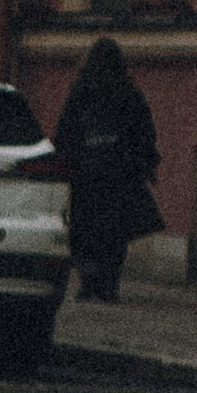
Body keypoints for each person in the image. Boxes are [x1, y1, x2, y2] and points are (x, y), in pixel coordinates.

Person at [56, 35, 161, 304]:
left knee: (84, 232)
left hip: (87, 176)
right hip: (119, 176)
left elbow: (65, 132)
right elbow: (144, 132)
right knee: (114, 236)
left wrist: (66, 163)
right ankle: (107, 284)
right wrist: (146, 164)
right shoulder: (128, 93)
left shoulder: (81, 92)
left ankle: (90, 282)